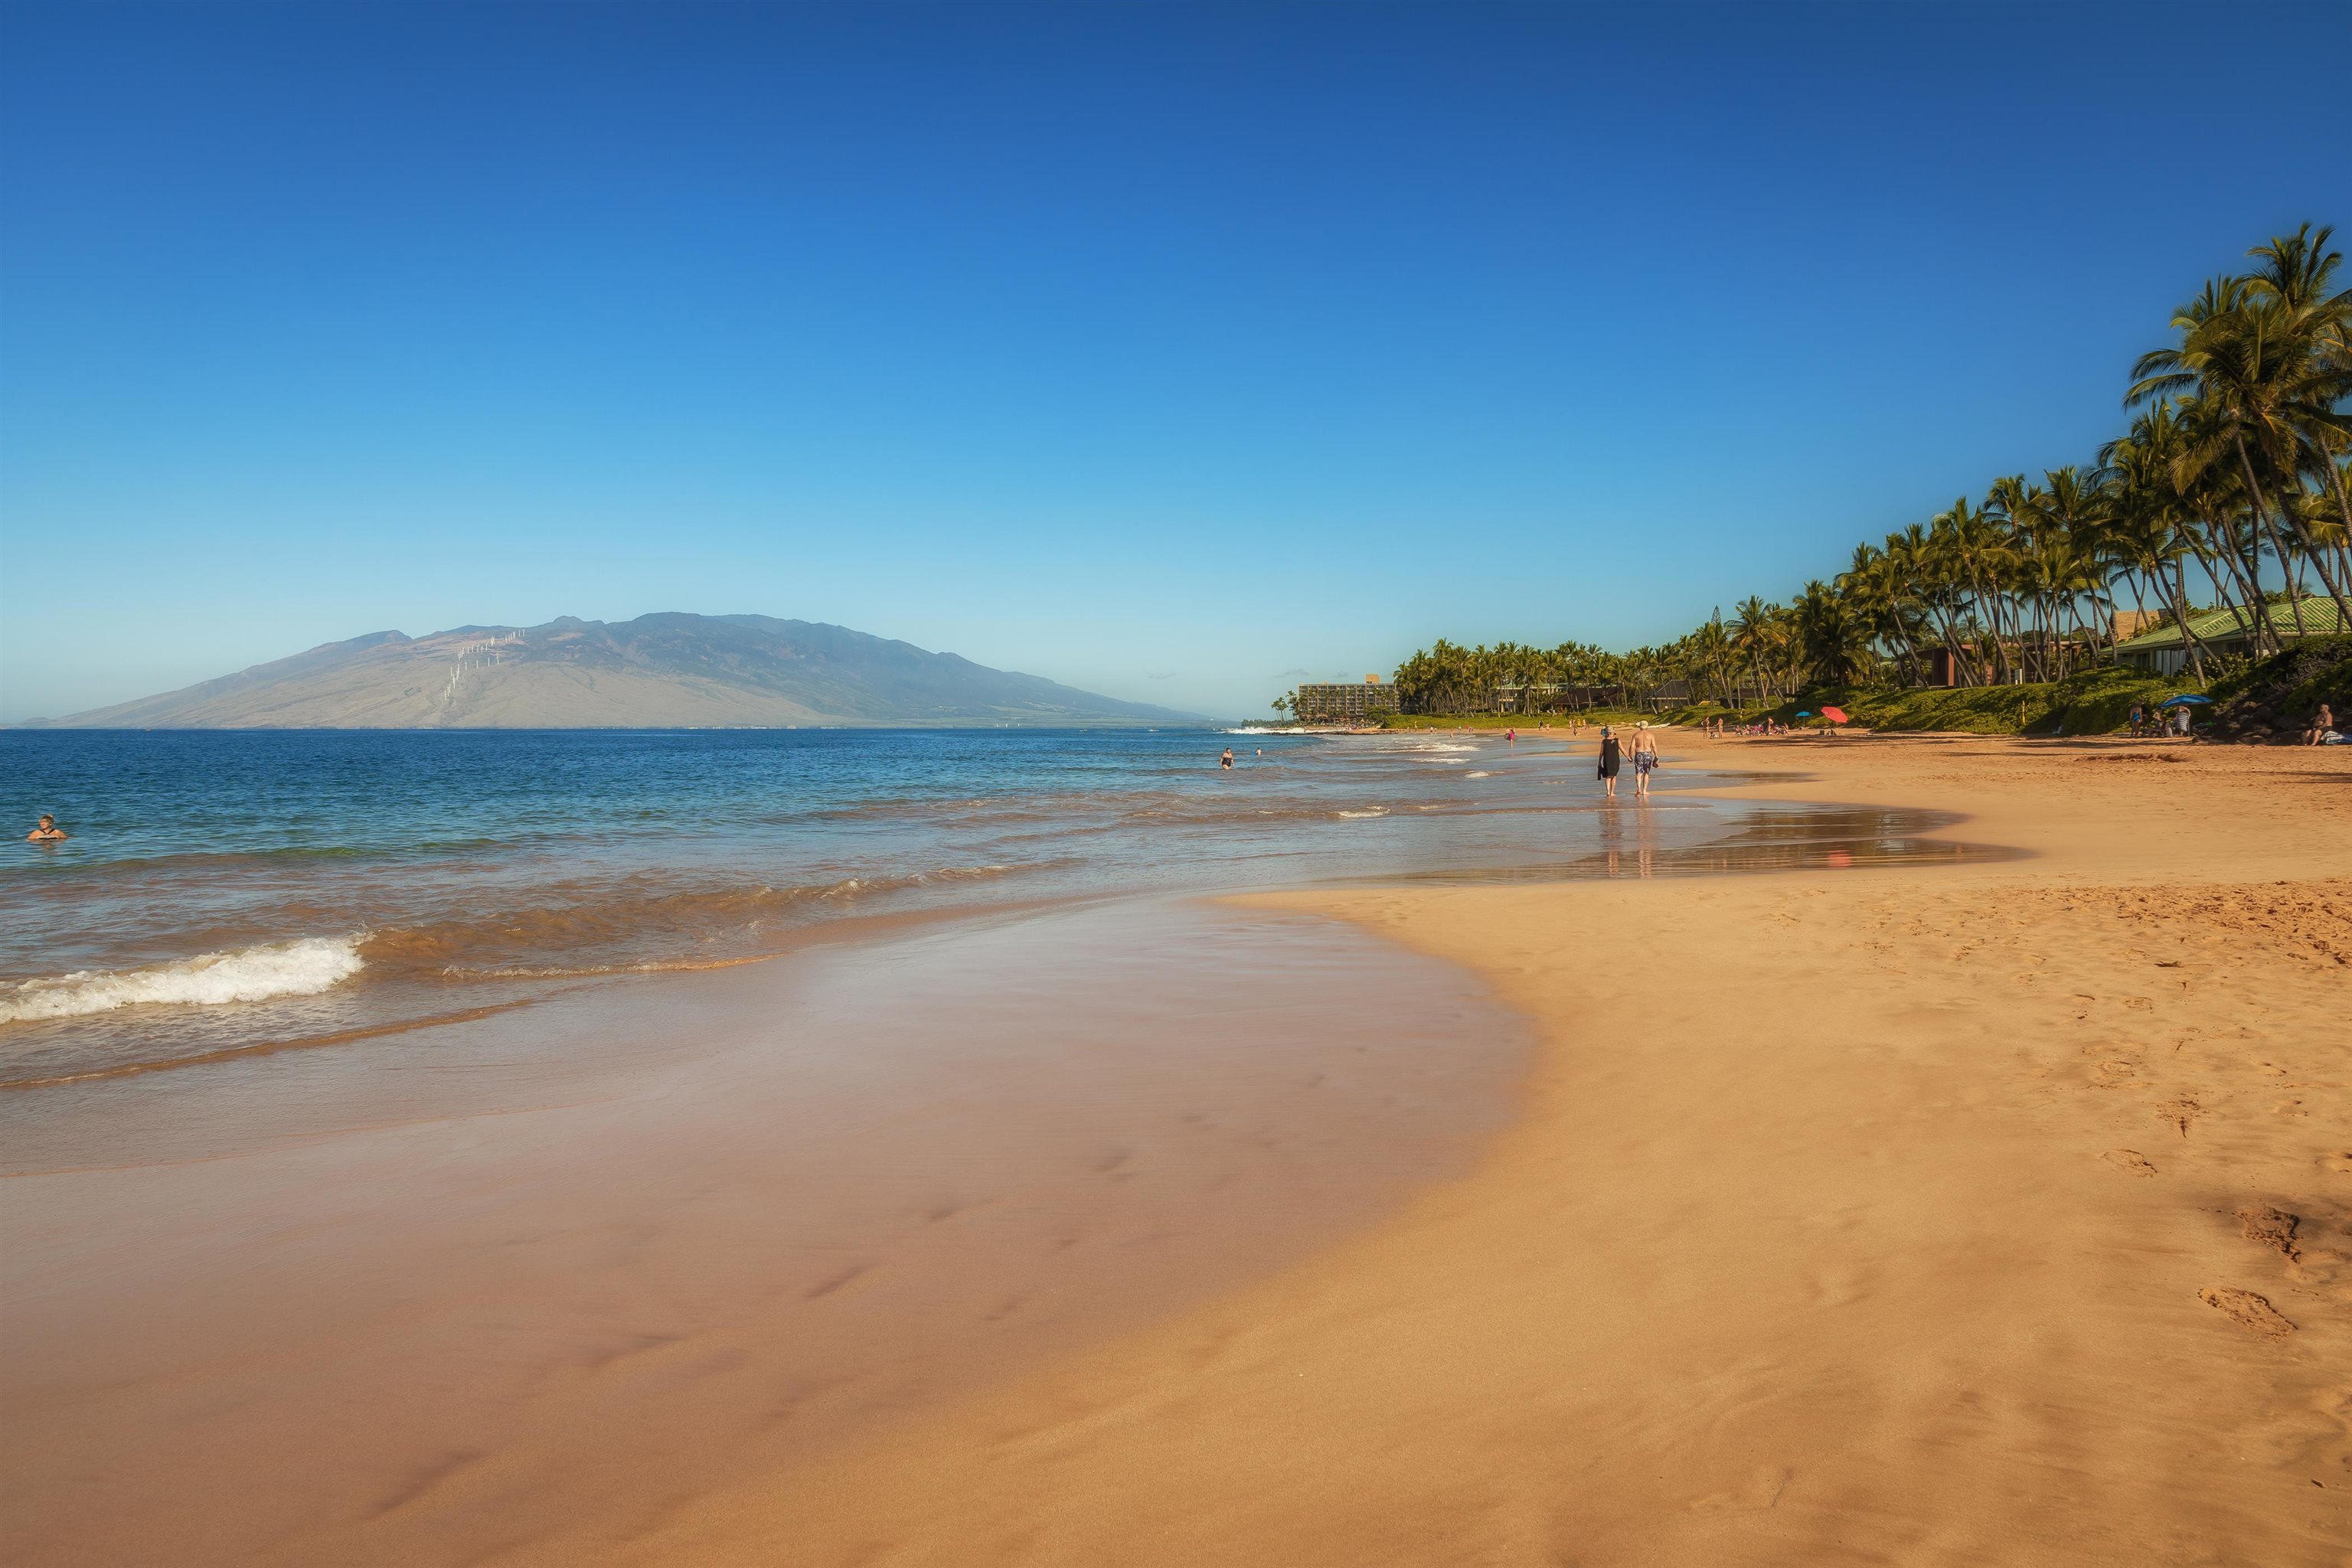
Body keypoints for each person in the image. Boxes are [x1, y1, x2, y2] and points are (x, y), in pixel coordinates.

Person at [1631, 721, 1660, 798]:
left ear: (1639, 727)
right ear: (1647, 727)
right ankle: (1644, 791)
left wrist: (1629, 755)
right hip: (1648, 754)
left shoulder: (1636, 735)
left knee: (1638, 772)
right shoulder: (1651, 735)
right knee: (1646, 772)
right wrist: (1656, 756)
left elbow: (1632, 746)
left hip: (1639, 753)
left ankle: (1639, 789)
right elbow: (1654, 746)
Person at [1596, 725, 1622, 799]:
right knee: (1614, 776)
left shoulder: (1604, 741)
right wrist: (1628, 757)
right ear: (1613, 732)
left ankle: (1608, 792)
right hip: (1615, 760)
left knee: (1608, 776)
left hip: (1607, 760)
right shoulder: (1617, 740)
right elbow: (1622, 750)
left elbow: (1601, 753)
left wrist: (1599, 762)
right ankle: (1612, 792)